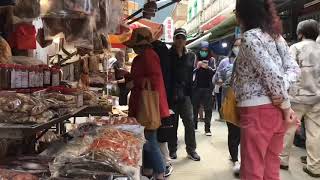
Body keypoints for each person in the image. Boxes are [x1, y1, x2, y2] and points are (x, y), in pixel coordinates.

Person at [234, 0, 301, 179]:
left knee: (252, 167)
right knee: (271, 165)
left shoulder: (250, 37)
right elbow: (294, 69)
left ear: (243, 13)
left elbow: (274, 77)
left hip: (257, 111)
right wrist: (285, 104)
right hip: (277, 112)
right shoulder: (276, 36)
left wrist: (285, 105)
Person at [123, 27, 169, 180]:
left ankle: (161, 172)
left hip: (149, 106)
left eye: (136, 45)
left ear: (141, 44)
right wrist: (128, 76)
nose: (134, 48)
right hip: (143, 105)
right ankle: (148, 170)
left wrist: (134, 82)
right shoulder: (141, 57)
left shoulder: (149, 55)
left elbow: (154, 81)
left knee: (149, 140)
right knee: (146, 140)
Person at [279, 19, 320, 178]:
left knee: (288, 130)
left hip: (296, 97)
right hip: (317, 99)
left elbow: (287, 72)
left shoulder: (295, 48)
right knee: (315, 132)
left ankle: (283, 160)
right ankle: (314, 167)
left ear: (300, 33)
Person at [168, 28, 201, 161]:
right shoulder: (168, 54)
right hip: (172, 95)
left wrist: (192, 93)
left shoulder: (191, 55)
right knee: (172, 124)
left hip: (186, 95)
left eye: (182, 38)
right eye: (178, 37)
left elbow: (192, 75)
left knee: (189, 122)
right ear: (174, 39)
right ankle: (172, 149)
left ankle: (191, 150)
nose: (180, 40)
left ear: (186, 40)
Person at [214, 38, 242, 176]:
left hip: (247, 102)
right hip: (230, 101)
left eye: (242, 45)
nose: (239, 48)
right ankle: (235, 158)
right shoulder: (226, 62)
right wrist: (223, 83)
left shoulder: (251, 61)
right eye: (237, 45)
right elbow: (215, 79)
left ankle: (241, 158)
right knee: (234, 132)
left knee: (244, 133)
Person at [152, 39, 174, 177]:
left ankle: (165, 164)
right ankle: (165, 163)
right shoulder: (166, 60)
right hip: (164, 101)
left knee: (159, 137)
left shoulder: (157, 62)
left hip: (160, 101)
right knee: (161, 136)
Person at [193, 41, 215, 136]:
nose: (204, 52)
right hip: (196, 88)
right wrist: (197, 67)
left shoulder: (212, 59)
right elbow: (191, 72)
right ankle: (194, 125)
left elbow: (214, 72)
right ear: (199, 50)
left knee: (208, 109)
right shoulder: (195, 58)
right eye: (202, 50)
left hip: (208, 88)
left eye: (206, 50)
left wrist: (208, 68)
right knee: (195, 108)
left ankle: (207, 129)